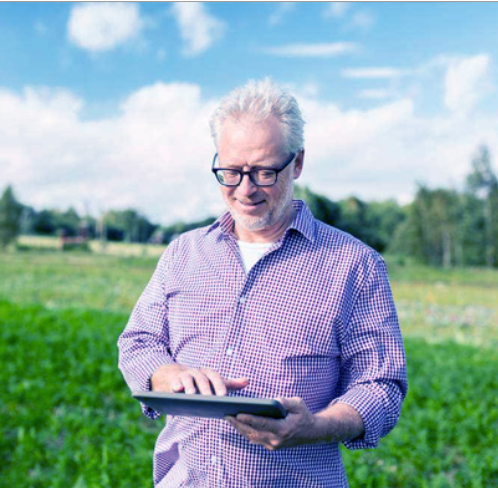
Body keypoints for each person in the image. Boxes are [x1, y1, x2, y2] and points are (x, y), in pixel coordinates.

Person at [118, 78, 408, 488]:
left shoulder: (354, 265)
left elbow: (381, 385)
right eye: (231, 171)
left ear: (298, 163)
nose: (245, 189)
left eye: (264, 172)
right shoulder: (184, 253)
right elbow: (138, 341)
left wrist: (317, 426)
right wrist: (164, 375)